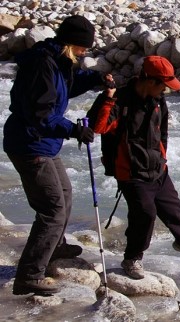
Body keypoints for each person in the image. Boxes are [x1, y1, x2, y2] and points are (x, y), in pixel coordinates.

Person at [3, 15, 113, 296]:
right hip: (31, 142)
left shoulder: (56, 60)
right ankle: (29, 274)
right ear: (70, 43)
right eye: (82, 47)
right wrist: (74, 130)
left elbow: (66, 86)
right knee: (52, 209)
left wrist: (95, 79)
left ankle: (54, 247)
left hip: (43, 142)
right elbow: (41, 113)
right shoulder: (43, 64)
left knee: (64, 194)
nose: (85, 52)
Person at [88, 55, 180, 280]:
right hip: (130, 171)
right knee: (145, 214)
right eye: (164, 85)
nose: (166, 91)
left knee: (172, 208)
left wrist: (162, 159)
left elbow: (163, 134)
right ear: (151, 81)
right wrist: (108, 98)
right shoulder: (118, 100)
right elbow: (98, 127)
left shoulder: (158, 101)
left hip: (157, 167)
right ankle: (132, 258)